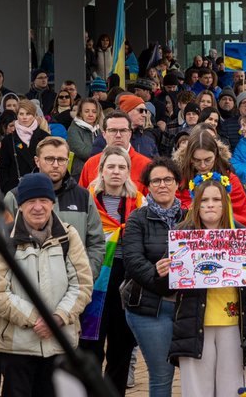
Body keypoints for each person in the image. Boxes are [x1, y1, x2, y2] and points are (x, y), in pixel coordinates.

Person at [0, 173, 93, 397]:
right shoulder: (3, 239)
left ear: (52, 203)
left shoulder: (68, 236)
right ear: (20, 205)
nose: (38, 207)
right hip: (18, 347)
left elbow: (82, 285)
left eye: (43, 201)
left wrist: (58, 318)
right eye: (30, 201)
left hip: (59, 345)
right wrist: (37, 319)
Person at [168, 178, 246, 396]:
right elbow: (169, 286)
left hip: (232, 324)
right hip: (193, 324)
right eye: (204, 200)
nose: (210, 205)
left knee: (232, 390)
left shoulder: (242, 236)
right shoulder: (181, 236)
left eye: (216, 199)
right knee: (196, 390)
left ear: (226, 203)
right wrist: (164, 271)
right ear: (195, 204)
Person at [3, 137, 106, 293]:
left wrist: (85, 277)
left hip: (74, 289)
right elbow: (2, 244)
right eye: (49, 159)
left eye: (61, 159)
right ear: (37, 161)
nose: (56, 165)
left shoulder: (83, 197)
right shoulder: (14, 197)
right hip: (26, 290)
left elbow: (96, 243)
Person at [121, 157, 186, 397]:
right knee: (161, 374)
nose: (162, 185)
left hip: (186, 308)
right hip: (150, 309)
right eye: (155, 180)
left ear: (177, 183)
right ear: (147, 186)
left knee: (192, 373)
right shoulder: (138, 218)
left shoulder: (190, 217)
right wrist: (160, 280)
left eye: (167, 179)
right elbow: (133, 261)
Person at [81, 146, 143, 394]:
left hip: (126, 279)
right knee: (90, 345)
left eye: (122, 167)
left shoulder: (139, 201)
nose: (116, 171)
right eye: (111, 167)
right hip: (95, 278)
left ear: (128, 171)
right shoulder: (86, 200)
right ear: (101, 171)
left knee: (122, 346)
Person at [176, 128, 246, 227]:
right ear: (189, 158)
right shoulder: (180, 180)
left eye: (208, 160)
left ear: (216, 155)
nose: (203, 165)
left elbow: (242, 216)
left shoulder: (231, 180)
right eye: (197, 160)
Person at [78, 110, 152, 193]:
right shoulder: (91, 164)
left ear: (130, 134)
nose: (118, 135)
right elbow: (81, 200)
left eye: (123, 130)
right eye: (113, 130)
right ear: (104, 134)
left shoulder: (146, 165)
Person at [0, 99, 50, 191]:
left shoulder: (45, 137)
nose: (24, 117)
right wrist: (7, 187)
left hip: (42, 186)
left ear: (34, 116)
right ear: (17, 116)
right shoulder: (9, 140)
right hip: (16, 188)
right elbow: (3, 167)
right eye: (21, 114)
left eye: (28, 114)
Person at [67, 96, 103, 177]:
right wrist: (104, 152)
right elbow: (83, 152)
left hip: (99, 172)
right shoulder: (73, 129)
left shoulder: (100, 129)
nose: (90, 114)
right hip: (80, 172)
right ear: (80, 113)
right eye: (86, 111)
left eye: (94, 111)